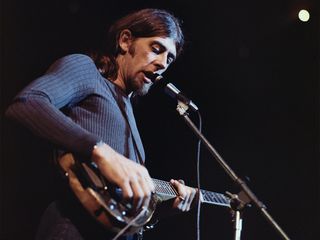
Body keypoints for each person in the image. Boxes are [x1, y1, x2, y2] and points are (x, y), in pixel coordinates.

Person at [5, 8, 197, 240]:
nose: (162, 64)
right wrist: (101, 151)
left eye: (169, 58)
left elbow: (116, 209)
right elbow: (27, 103)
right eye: (156, 49)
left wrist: (162, 210)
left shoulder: (128, 113)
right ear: (126, 41)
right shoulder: (88, 72)